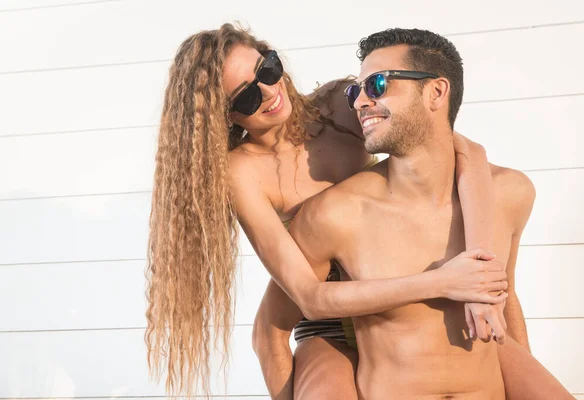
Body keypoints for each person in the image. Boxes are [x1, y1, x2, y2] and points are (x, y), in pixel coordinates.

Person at [143, 23, 562, 398]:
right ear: (225, 116)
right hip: (330, 319)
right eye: (248, 95)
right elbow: (308, 297)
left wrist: (480, 283)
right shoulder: (242, 173)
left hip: (402, 297)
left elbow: (461, 148)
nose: (270, 93)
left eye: (268, 71)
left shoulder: (340, 106)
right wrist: (446, 281)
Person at [270, 27, 573, 399]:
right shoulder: (337, 214)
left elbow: (505, 295)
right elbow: (271, 331)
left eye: (378, 84)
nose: (361, 102)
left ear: (436, 92)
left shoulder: (511, 193)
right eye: (356, 91)